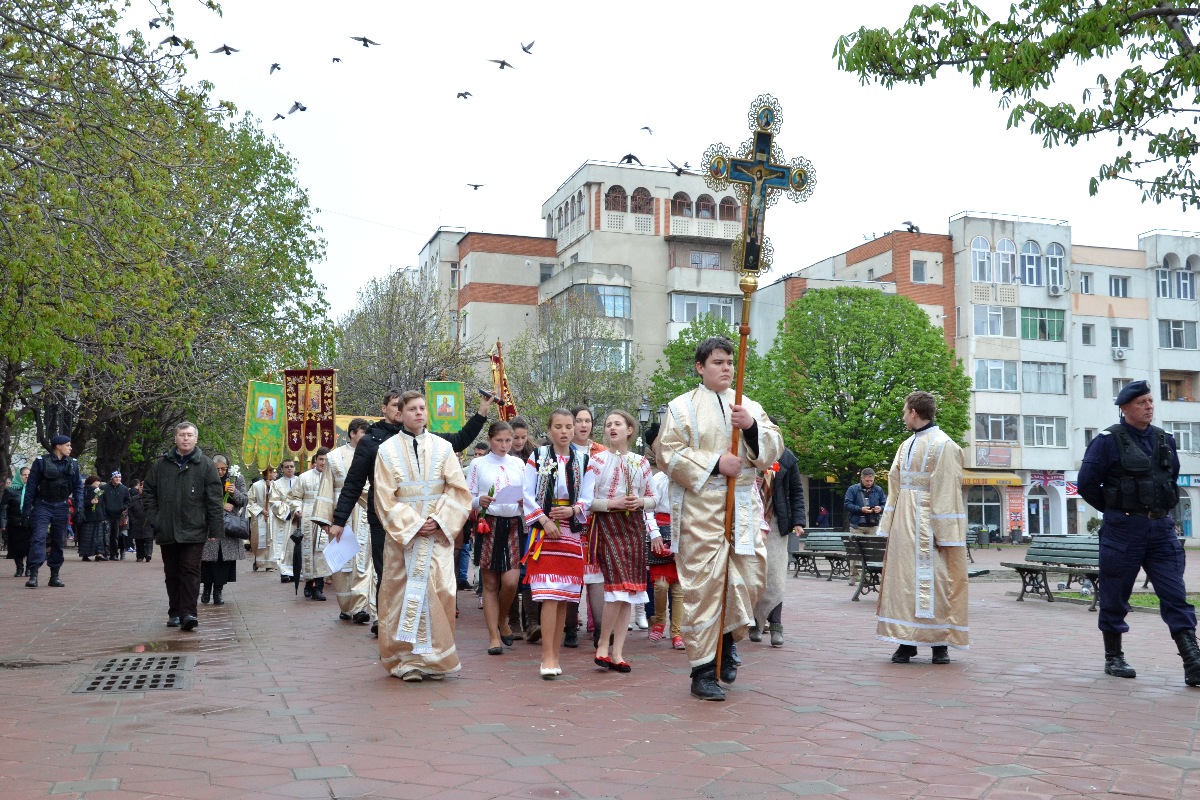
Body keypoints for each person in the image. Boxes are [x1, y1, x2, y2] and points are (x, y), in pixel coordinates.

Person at [659, 336, 783, 701]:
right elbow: (669, 453)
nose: (726, 368)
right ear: (700, 367)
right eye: (717, 362)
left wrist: (751, 429)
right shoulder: (681, 408)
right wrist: (715, 463)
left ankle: (727, 643)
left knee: (746, 581)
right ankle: (702, 670)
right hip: (702, 508)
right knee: (706, 588)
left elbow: (773, 446)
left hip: (742, 506)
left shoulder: (749, 406)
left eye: (729, 362)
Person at [325, 389, 491, 636]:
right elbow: (354, 482)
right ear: (393, 411)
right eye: (399, 406)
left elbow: (459, 440)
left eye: (421, 408)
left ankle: (428, 638)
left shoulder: (430, 441)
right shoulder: (373, 442)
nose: (416, 412)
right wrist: (339, 520)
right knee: (391, 577)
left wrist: (481, 413)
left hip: (429, 522)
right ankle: (389, 628)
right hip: (387, 519)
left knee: (432, 580)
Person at [1078, 379, 1200, 686]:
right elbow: (1087, 484)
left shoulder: (1163, 439)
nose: (1149, 407)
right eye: (1141, 403)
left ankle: (1193, 660)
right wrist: (1116, 511)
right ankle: (1114, 657)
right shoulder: (1107, 440)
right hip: (1123, 530)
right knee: (1115, 595)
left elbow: (1169, 479)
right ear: (1125, 408)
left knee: (1175, 595)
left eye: (1150, 402)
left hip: (1161, 529)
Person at [373, 390, 472, 681]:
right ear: (400, 414)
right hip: (404, 538)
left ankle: (434, 660)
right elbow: (383, 496)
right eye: (412, 409)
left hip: (437, 534)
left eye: (421, 408)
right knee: (402, 596)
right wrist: (414, 525)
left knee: (441, 592)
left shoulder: (443, 448)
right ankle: (405, 661)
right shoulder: (387, 451)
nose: (418, 413)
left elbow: (458, 489)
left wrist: (439, 520)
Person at [876, 391, 969, 665]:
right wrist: (890, 525)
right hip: (905, 523)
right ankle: (907, 640)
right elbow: (895, 484)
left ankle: (940, 644)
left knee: (937, 579)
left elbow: (947, 490)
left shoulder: (945, 445)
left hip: (930, 523)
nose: (903, 415)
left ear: (914, 412)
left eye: (905, 411)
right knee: (905, 580)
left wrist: (946, 533)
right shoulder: (905, 445)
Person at [523, 408, 595, 678]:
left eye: (569, 426)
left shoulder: (583, 459)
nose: (564, 431)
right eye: (559, 426)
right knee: (548, 595)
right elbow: (527, 494)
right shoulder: (537, 457)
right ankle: (547, 657)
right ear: (549, 429)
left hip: (571, 530)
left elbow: (588, 495)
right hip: (546, 530)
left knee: (564, 596)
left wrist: (574, 510)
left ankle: (557, 654)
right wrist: (543, 520)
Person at [587, 410, 656, 673]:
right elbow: (587, 502)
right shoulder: (596, 462)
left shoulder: (641, 462)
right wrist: (611, 503)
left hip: (634, 526)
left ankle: (618, 653)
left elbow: (652, 498)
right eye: (608, 425)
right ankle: (603, 644)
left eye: (618, 424)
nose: (612, 428)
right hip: (608, 524)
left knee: (630, 591)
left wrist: (639, 502)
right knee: (616, 587)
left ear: (629, 430)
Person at [143, 421, 224, 631]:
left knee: (190, 570)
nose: (185, 438)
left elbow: (214, 499)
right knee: (172, 572)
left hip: (194, 528)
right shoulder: (161, 465)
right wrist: (156, 518)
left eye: (189, 435)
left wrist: (215, 529)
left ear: (196, 438)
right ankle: (174, 613)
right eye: (182, 435)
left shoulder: (205, 465)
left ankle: (188, 613)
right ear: (175, 438)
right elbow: (148, 492)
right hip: (167, 527)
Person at [467, 421, 526, 654]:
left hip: (512, 523)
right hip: (488, 523)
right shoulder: (478, 464)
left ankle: (502, 620)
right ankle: (493, 636)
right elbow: (467, 495)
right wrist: (478, 501)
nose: (504, 445)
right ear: (490, 439)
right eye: (499, 441)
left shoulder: (519, 463)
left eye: (508, 440)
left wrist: (523, 502)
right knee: (490, 583)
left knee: (511, 581)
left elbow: (528, 495)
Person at [311, 418, 375, 625]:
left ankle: (359, 607)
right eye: (362, 433)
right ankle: (346, 607)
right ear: (352, 433)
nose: (366, 437)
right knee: (343, 562)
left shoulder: (375, 453)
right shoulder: (334, 457)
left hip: (366, 512)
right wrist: (325, 520)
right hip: (343, 515)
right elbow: (326, 487)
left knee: (364, 562)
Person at [750, 446, 805, 648]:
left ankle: (776, 625)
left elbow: (797, 491)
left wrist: (798, 521)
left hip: (776, 522)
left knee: (775, 575)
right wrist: (750, 483)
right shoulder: (748, 454)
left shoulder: (787, 458)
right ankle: (755, 621)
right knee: (755, 574)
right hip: (751, 522)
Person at [22, 434, 84, 588]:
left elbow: (78, 488)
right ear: (58, 446)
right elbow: (30, 488)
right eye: (68, 445)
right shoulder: (41, 462)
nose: (70, 448)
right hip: (43, 505)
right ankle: (33, 574)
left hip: (62, 506)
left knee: (58, 541)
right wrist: (26, 511)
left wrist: (79, 508)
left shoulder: (73, 464)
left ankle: (54, 575)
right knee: (38, 538)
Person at [572, 406, 608, 649]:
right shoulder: (562, 451)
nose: (583, 425)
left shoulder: (602, 452)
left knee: (595, 575)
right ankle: (569, 627)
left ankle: (600, 630)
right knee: (572, 575)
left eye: (587, 421)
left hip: (596, 521)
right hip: (570, 520)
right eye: (578, 421)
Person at [646, 434, 685, 650]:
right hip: (660, 534)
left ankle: (677, 631)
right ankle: (659, 622)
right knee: (660, 585)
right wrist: (654, 534)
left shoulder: (687, 482)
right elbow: (648, 510)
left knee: (679, 588)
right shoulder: (658, 480)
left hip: (681, 532)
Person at [200, 456, 247, 606]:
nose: (220, 472)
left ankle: (218, 591)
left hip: (228, 527)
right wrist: (221, 505)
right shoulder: (204, 476)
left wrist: (234, 493)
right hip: (209, 526)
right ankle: (206, 590)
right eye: (217, 469)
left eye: (223, 469)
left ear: (228, 467)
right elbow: (197, 499)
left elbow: (244, 500)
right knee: (207, 560)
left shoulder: (236, 478)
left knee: (222, 560)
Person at [288, 447, 332, 600]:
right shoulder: (304, 477)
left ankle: (318, 588)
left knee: (321, 552)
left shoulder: (332, 478)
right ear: (315, 460)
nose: (323, 462)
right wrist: (298, 509)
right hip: (307, 517)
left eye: (326, 460)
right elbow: (294, 497)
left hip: (325, 519)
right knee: (307, 552)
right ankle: (308, 584)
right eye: (320, 459)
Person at [508, 417, 536, 641]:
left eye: (522, 437)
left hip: (529, 520)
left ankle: (532, 621)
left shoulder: (534, 454)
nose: (518, 442)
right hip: (508, 519)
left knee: (527, 570)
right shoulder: (501, 455)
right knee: (510, 573)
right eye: (514, 437)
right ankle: (512, 621)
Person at [845, 467, 886, 584]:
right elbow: (847, 504)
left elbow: (885, 503)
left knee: (873, 551)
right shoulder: (853, 489)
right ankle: (853, 575)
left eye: (871, 481)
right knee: (855, 551)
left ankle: (868, 575)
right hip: (857, 525)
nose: (869, 483)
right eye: (867, 481)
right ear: (862, 479)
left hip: (873, 525)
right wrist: (860, 509)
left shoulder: (878, 490)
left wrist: (880, 508)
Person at [268, 459, 300, 582]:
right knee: (283, 546)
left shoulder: (300, 481)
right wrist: (288, 513)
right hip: (284, 519)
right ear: (282, 469)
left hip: (298, 518)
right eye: (286, 467)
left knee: (296, 545)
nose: (289, 469)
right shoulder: (276, 484)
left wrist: (299, 511)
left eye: (291, 466)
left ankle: (296, 571)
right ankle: (284, 572)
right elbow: (274, 502)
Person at [3, 467, 32, 576]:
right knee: (17, 547)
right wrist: (3, 523)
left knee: (30, 547)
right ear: (19, 476)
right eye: (24, 475)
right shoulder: (10, 490)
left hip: (30, 523)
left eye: (29, 475)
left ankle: (29, 568)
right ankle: (19, 568)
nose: (27, 477)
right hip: (15, 523)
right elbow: (4, 508)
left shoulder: (34, 490)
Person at [245, 466, 276, 571]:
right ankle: (258, 560)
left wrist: (269, 488)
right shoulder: (256, 485)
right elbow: (250, 501)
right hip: (259, 516)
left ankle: (269, 563)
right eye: (273, 472)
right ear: (269, 473)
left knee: (270, 539)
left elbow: (279, 499)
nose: (275, 474)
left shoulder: (276, 485)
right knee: (258, 539)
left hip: (272, 515)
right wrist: (261, 510)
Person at [100, 471, 132, 561]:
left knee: (115, 536)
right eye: (116, 477)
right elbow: (99, 499)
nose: (118, 479)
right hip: (106, 515)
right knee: (105, 535)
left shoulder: (124, 489)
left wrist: (123, 507)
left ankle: (114, 554)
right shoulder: (103, 488)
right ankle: (105, 553)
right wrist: (103, 509)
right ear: (112, 478)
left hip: (118, 516)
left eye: (119, 477)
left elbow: (128, 501)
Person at [77, 476, 108, 562]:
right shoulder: (85, 490)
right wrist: (90, 502)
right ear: (92, 482)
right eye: (97, 481)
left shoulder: (98, 491)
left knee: (99, 536)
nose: (98, 483)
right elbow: (81, 503)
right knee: (88, 536)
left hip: (98, 516)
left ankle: (99, 553)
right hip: (88, 517)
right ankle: (85, 554)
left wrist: (103, 515)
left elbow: (102, 503)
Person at [128, 479, 152, 562]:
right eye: (141, 488)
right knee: (139, 540)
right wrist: (132, 519)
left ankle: (148, 554)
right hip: (137, 522)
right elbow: (130, 510)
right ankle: (140, 556)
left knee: (148, 539)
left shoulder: (152, 498)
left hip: (148, 521)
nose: (143, 489)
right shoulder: (134, 499)